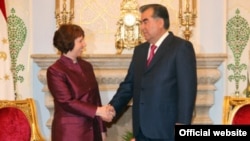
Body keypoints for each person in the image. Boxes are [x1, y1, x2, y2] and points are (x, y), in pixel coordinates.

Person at [108, 4, 197, 141]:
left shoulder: (181, 47)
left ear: (160, 22)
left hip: (167, 131)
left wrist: (182, 126)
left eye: (145, 22)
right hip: (141, 130)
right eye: (141, 23)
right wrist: (112, 108)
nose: (142, 27)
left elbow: (187, 90)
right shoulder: (140, 51)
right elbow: (129, 85)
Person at [47, 24, 112, 141]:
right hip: (70, 134)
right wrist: (98, 111)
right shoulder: (55, 71)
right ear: (69, 43)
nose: (84, 44)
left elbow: (96, 98)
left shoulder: (87, 66)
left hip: (93, 131)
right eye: (80, 41)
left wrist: (102, 129)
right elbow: (67, 102)